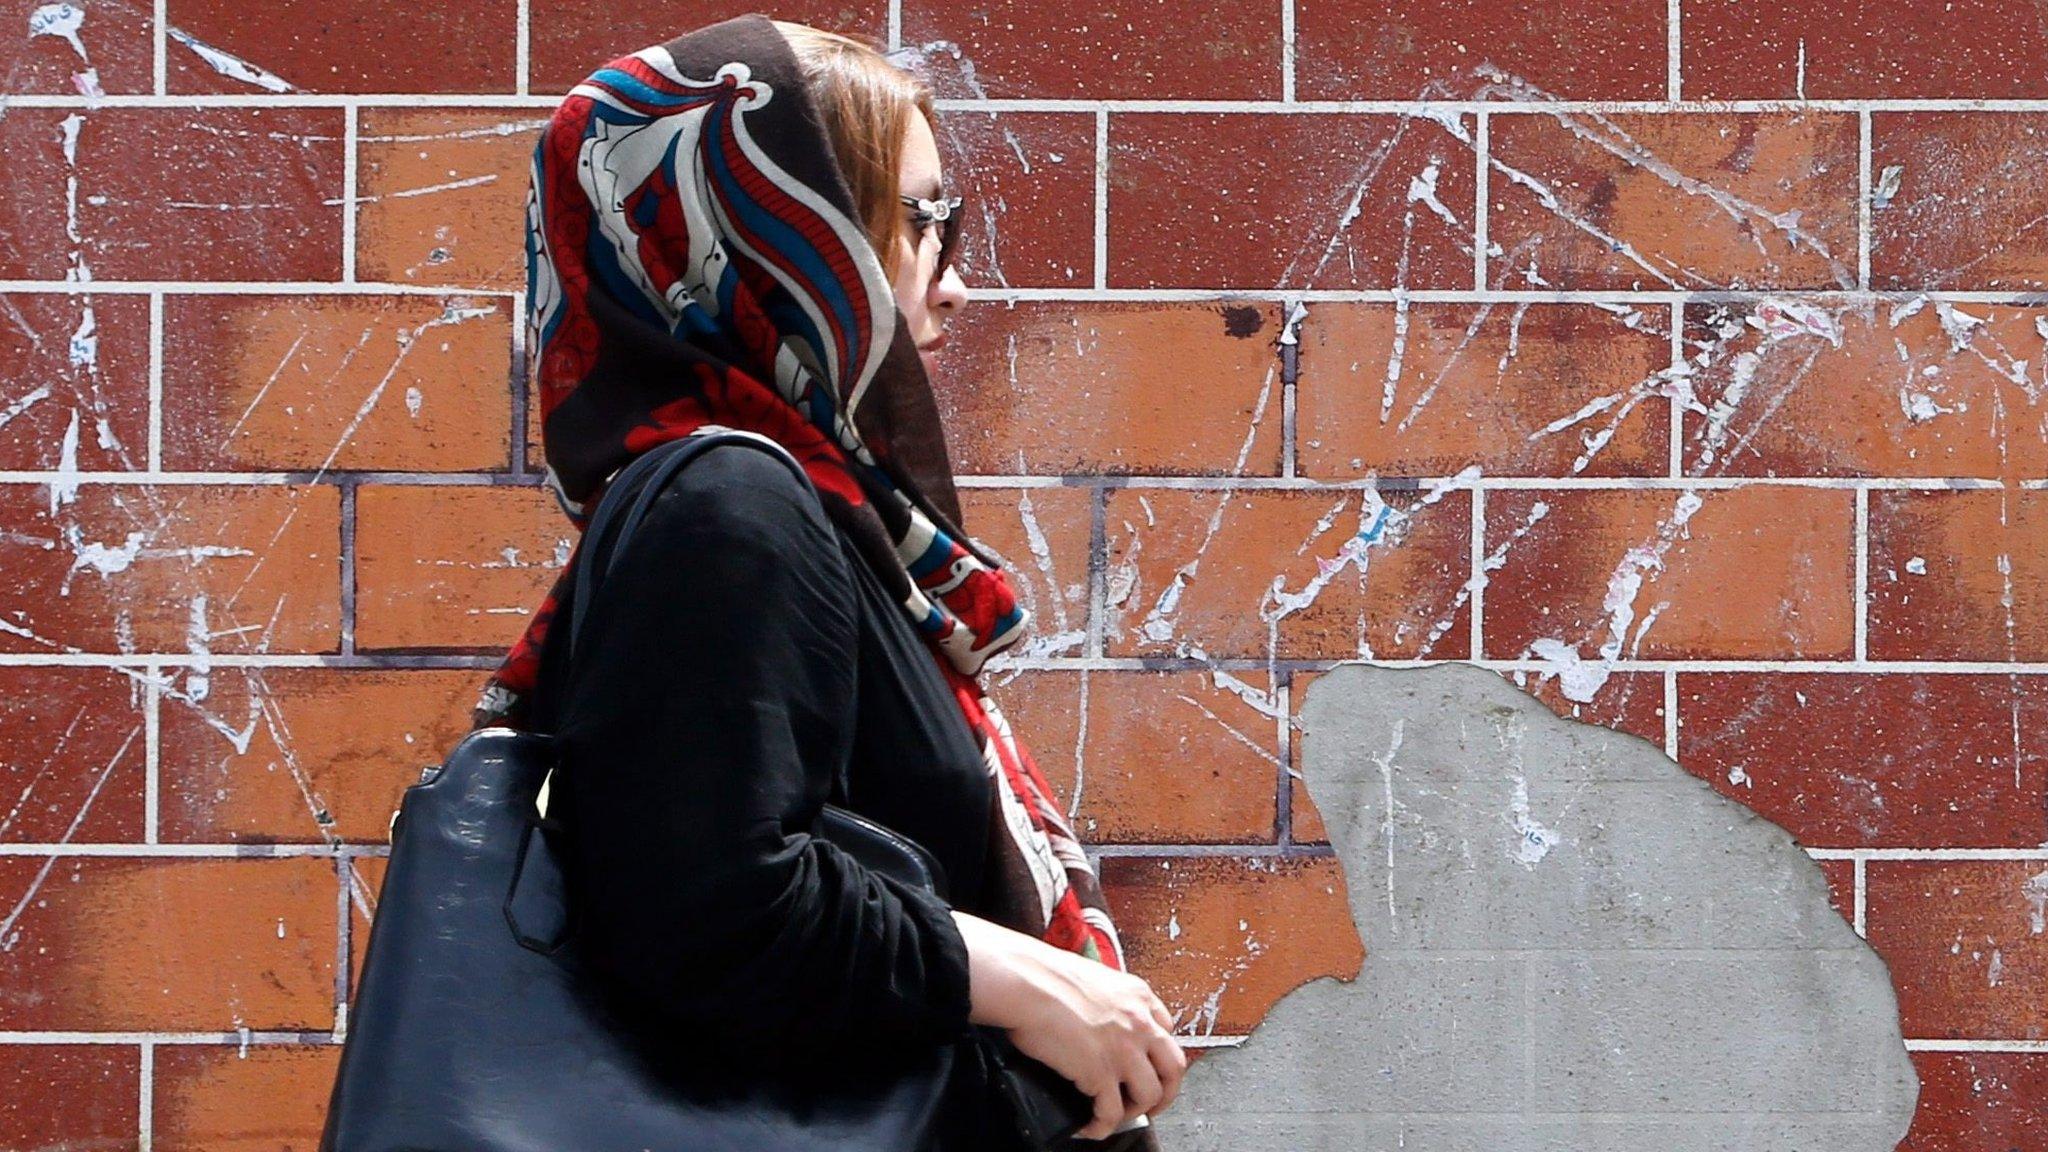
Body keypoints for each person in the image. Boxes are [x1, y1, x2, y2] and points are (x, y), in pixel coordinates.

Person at [467, 13, 1185, 1150]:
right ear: (775, 235)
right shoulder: (728, 510)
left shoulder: (799, 515)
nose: (951, 284)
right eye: (918, 221)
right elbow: (704, 905)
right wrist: (1017, 976)